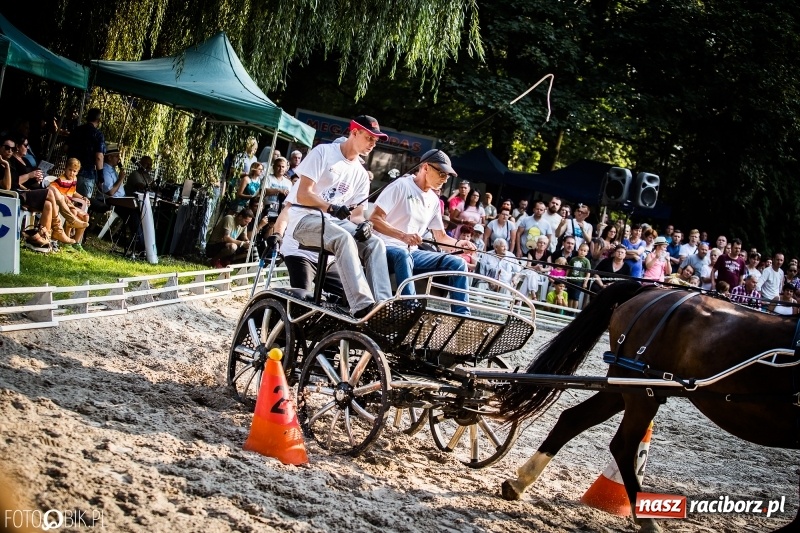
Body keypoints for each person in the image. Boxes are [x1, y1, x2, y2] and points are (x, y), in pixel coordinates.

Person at [285, 115, 392, 319]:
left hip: (334, 224)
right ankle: (362, 306)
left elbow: (358, 215)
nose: (373, 144)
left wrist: (365, 225)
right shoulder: (323, 152)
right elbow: (303, 194)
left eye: (375, 141)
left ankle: (382, 306)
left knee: (375, 243)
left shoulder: (361, 174)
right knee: (342, 237)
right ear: (354, 132)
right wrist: (331, 208)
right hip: (304, 221)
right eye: (369, 137)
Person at [370, 149, 475, 314]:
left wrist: (459, 243)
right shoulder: (401, 185)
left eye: (447, 175)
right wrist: (403, 236)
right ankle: (410, 309)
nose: (445, 179)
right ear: (425, 167)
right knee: (402, 254)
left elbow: (440, 236)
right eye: (441, 173)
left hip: (412, 254)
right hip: (385, 248)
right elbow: (375, 219)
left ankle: (462, 315)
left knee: (458, 263)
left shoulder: (434, 200)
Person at [49, 158, 90, 250]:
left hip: (70, 204)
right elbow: (50, 188)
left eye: (74, 171)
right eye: (70, 170)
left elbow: (73, 192)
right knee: (74, 213)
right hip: (62, 205)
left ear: (77, 172)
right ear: (65, 169)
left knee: (86, 217)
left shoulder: (74, 179)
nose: (72, 173)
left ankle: (76, 242)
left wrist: (83, 198)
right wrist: (62, 195)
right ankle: (66, 240)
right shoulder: (60, 180)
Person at [66, 108, 105, 198]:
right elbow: (99, 157)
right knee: (82, 203)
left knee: (68, 200)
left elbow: (65, 148)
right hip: (87, 173)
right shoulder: (98, 135)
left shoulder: (76, 130)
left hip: (71, 171)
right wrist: (100, 177)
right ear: (98, 120)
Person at [567, 242, 592, 308]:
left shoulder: (586, 261)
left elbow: (588, 273)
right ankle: (568, 311)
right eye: (581, 250)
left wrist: (585, 283)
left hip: (579, 281)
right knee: (570, 296)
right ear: (578, 250)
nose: (582, 252)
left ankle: (573, 311)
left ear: (587, 253)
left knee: (575, 297)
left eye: (584, 251)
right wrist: (566, 278)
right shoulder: (573, 259)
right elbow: (569, 269)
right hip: (571, 280)